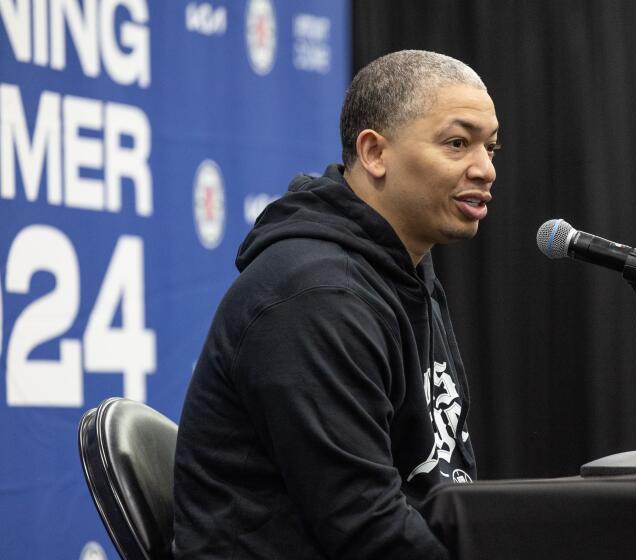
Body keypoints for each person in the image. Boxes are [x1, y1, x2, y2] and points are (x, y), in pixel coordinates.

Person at [173, 49, 499, 559]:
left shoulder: (407, 273)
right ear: (374, 153)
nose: (485, 169)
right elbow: (365, 528)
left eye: (491, 148)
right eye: (457, 144)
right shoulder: (316, 297)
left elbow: (445, 482)